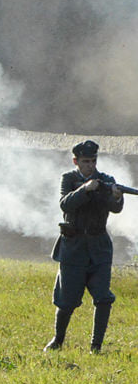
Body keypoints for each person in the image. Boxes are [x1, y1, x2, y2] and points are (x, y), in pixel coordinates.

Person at [45, 139, 123, 353]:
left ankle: (96, 346)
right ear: (76, 161)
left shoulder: (106, 180)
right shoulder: (69, 179)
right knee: (67, 300)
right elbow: (65, 203)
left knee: (103, 297)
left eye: (93, 161)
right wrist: (86, 190)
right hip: (74, 246)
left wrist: (116, 197)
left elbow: (115, 208)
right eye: (86, 161)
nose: (90, 165)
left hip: (99, 247)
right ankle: (58, 340)